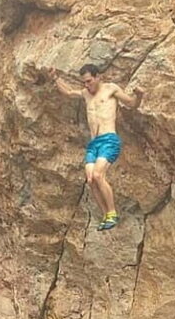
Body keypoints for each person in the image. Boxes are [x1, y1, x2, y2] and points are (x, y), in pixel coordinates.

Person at [49, 64, 144, 230]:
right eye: (84, 82)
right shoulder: (86, 94)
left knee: (99, 175)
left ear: (98, 76)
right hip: (94, 144)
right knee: (91, 179)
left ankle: (113, 213)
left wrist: (139, 95)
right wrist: (55, 78)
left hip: (109, 140)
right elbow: (69, 92)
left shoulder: (110, 89)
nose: (87, 85)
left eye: (89, 81)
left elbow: (132, 103)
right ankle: (106, 215)